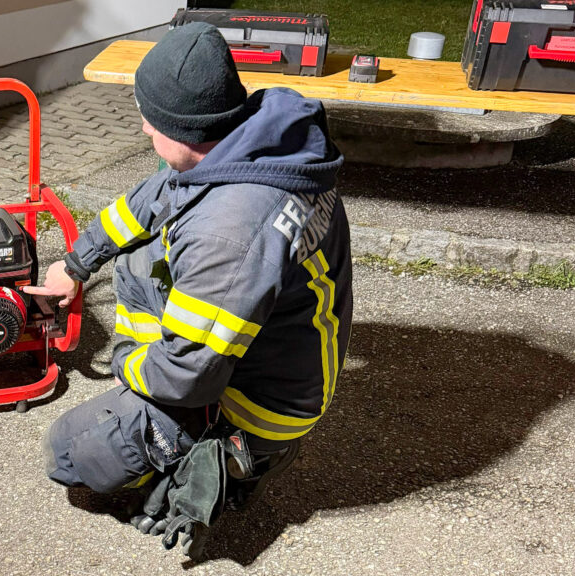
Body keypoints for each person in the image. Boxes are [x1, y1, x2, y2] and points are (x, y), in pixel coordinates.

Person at [24, 22, 353, 553]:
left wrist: (126, 362)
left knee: (70, 454)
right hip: (284, 345)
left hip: (267, 403)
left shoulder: (229, 232)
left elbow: (184, 379)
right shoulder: (250, 139)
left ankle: (236, 456)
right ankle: (164, 409)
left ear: (181, 132)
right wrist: (76, 264)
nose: (144, 130)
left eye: (149, 122)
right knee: (139, 254)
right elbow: (155, 196)